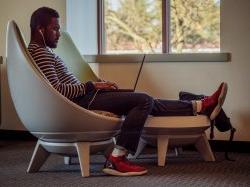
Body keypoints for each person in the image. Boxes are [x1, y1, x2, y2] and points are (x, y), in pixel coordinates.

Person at [28, 7, 228, 177]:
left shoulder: (42, 51)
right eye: (55, 29)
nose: (59, 33)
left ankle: (201, 105)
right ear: (40, 29)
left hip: (86, 98)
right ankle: (118, 158)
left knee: (148, 101)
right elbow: (57, 90)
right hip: (83, 101)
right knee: (143, 101)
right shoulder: (41, 53)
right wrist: (91, 86)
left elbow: (59, 87)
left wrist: (96, 86)